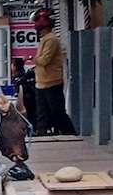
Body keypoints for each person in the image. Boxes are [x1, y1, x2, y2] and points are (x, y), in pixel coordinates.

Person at [26, 8, 76, 136]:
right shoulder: (45, 39)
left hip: (52, 82)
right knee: (41, 113)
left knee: (57, 111)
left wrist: (32, 58)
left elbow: (45, 60)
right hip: (41, 82)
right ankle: (41, 134)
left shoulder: (51, 40)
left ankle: (69, 133)